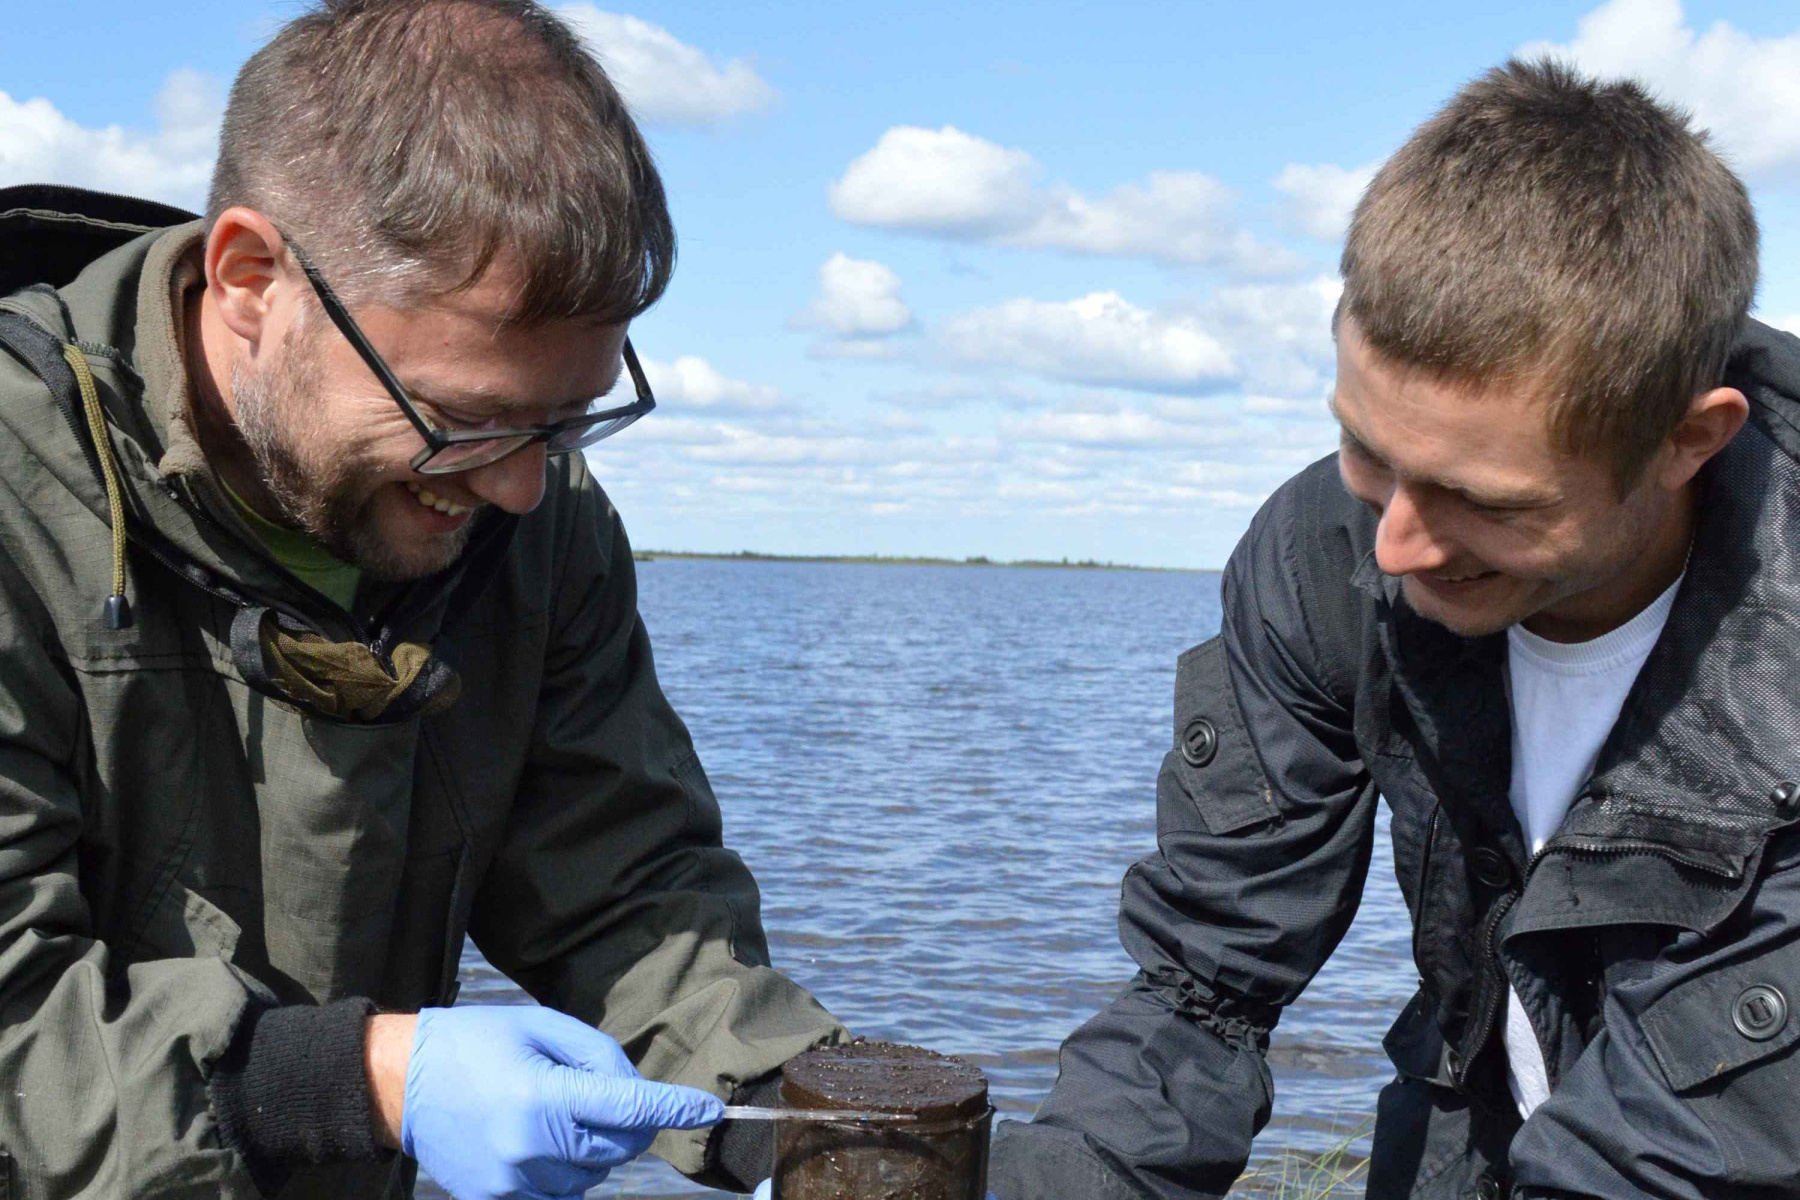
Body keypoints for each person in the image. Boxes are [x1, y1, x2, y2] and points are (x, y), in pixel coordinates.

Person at [0, 3, 846, 1198]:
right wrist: (364, 1083)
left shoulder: (536, 517)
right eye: (462, 420)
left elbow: (624, 884)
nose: (514, 484)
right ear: (251, 277)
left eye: (563, 419)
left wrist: (816, 1113)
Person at [988, 58, 1800, 1200]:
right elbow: (1205, 986)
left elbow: (1681, 1146)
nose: (1397, 550)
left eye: (1489, 500)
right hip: (1476, 1128)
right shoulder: (1323, 553)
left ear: (1688, 441)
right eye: (1369, 450)